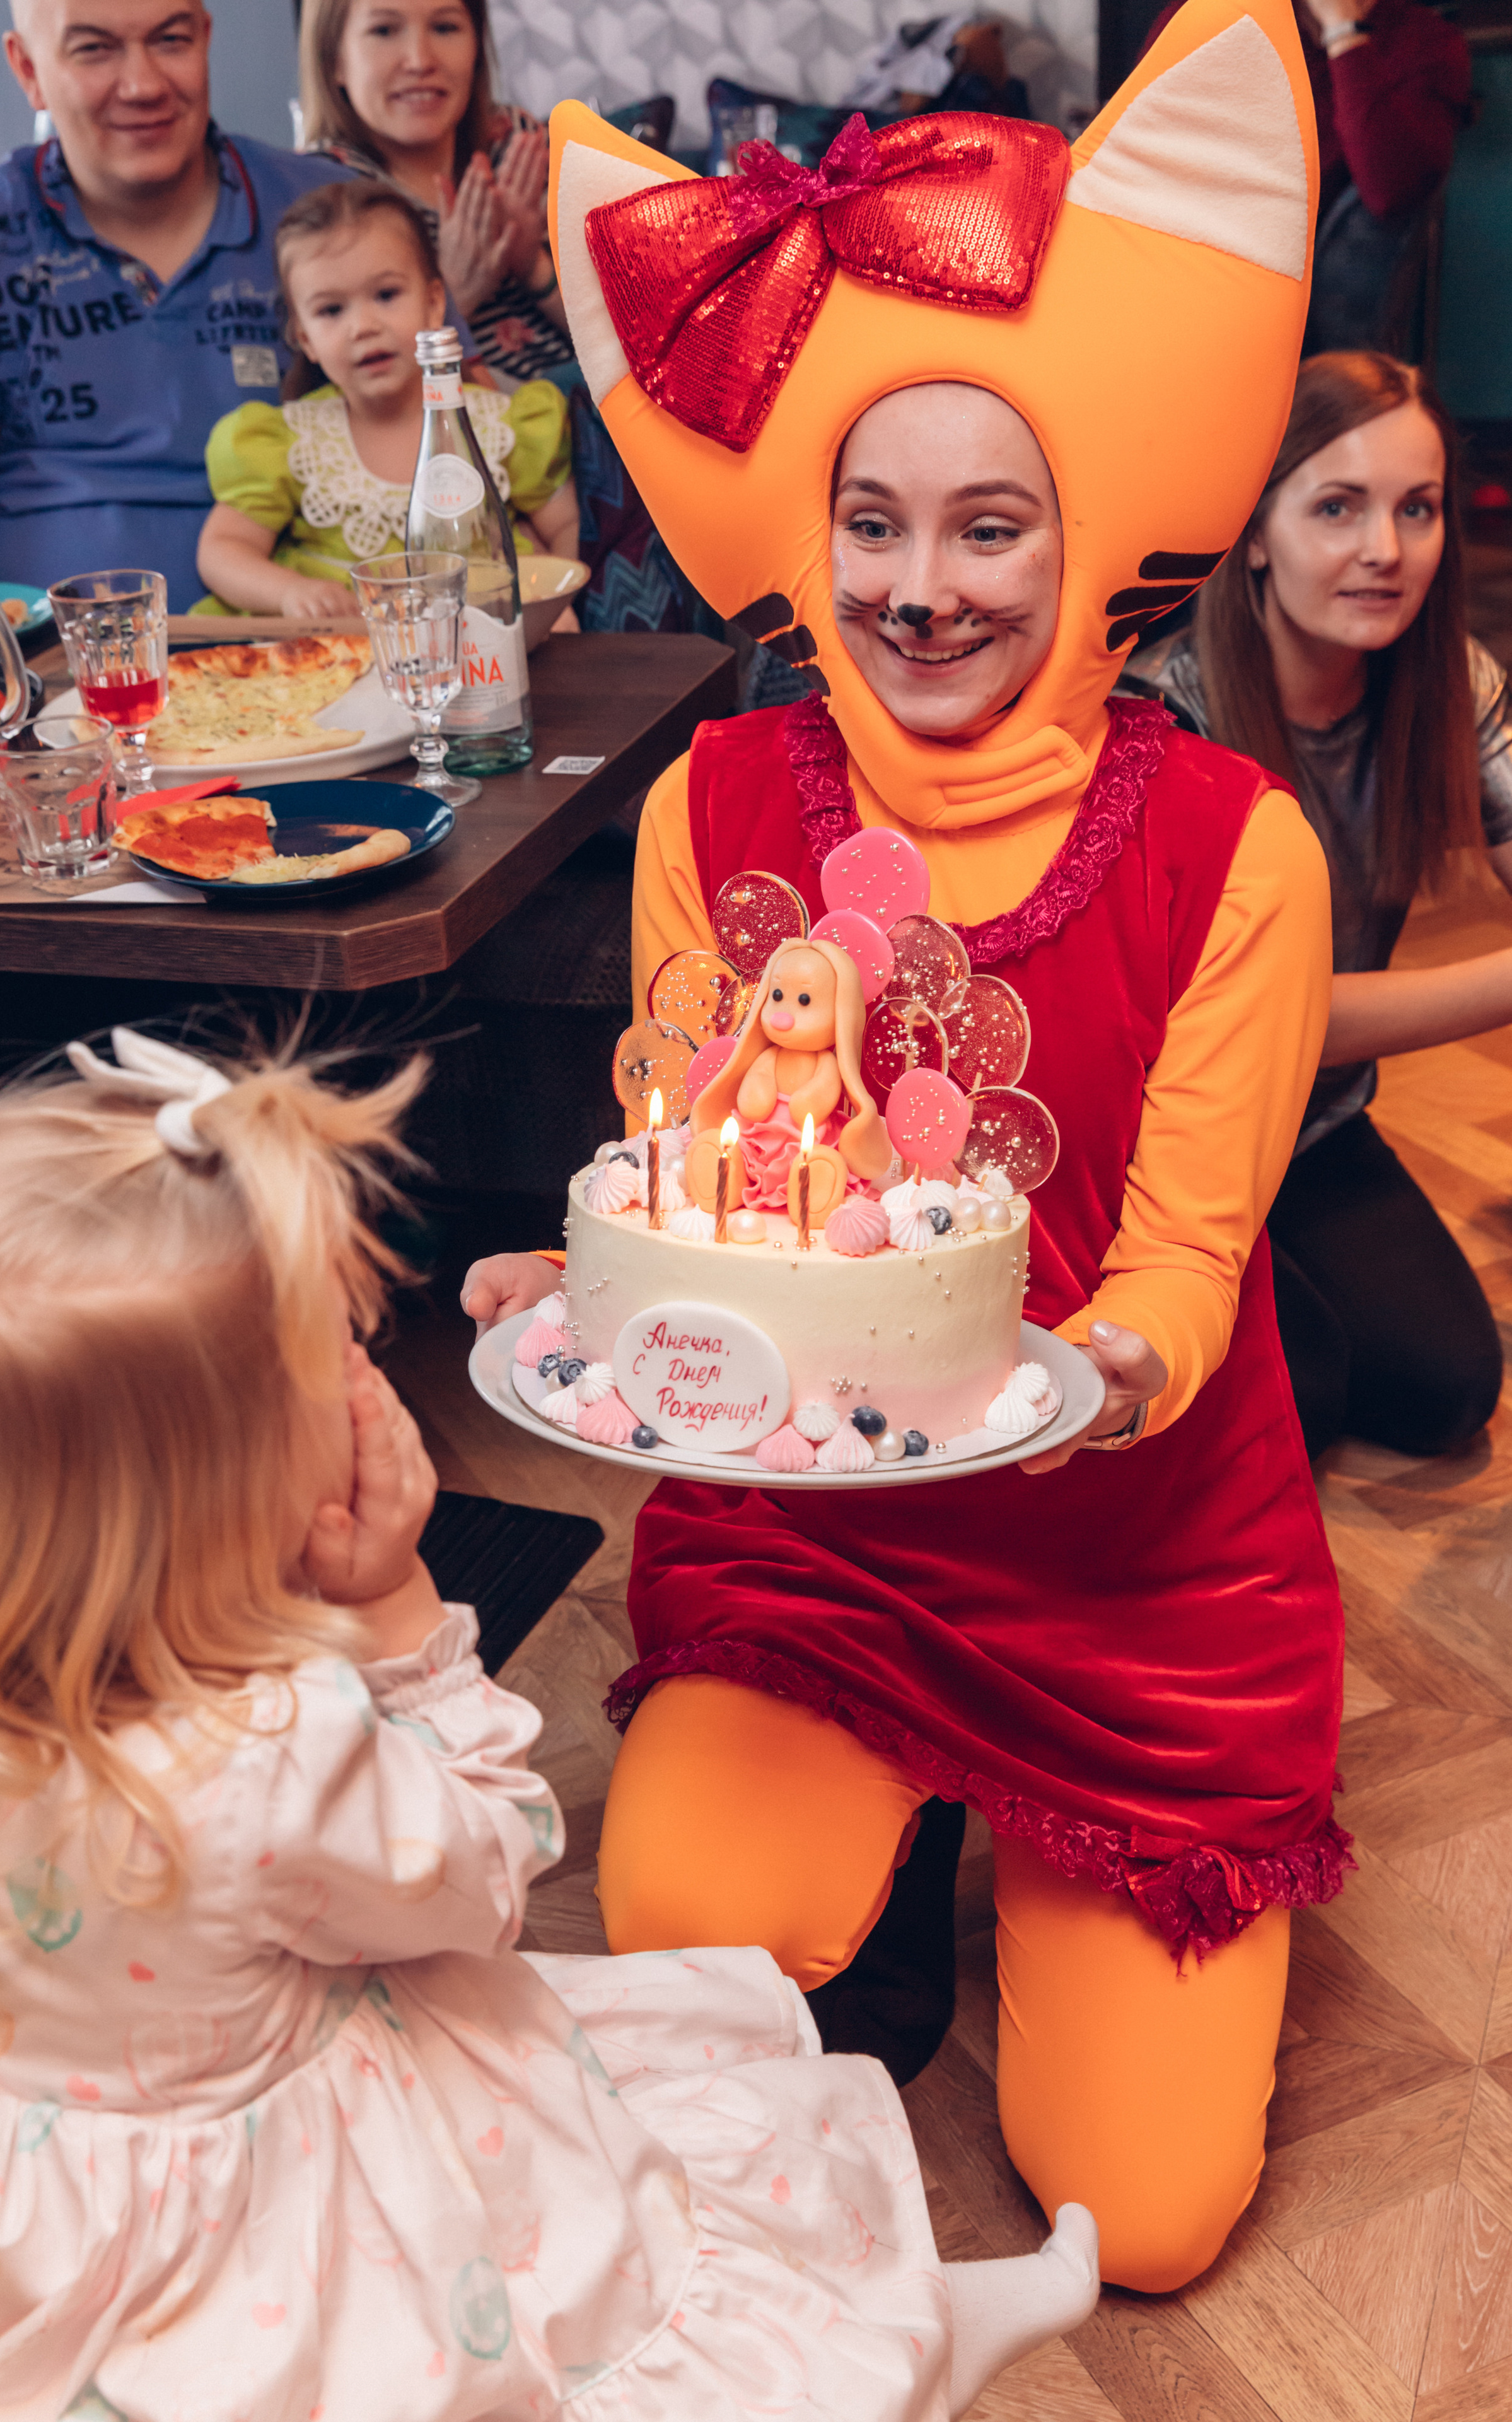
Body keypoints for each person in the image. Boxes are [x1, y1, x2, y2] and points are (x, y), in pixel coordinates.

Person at [463, 0, 1352, 2298]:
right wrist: (592, 1287)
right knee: (674, 1922)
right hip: (807, 1540)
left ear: (1085, 543)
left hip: (1131, 1579)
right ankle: (876, 1816)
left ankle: (1005, 1838)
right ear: (806, 535)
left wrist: (1111, 1374)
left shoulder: (1236, 848)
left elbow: (1173, 1268)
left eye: (988, 526)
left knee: (1136, 2223)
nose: (920, 588)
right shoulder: (713, 807)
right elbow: (692, 1152)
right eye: (868, 521)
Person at [0, 1028, 1100, 2418]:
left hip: (45, 2219)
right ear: (216, 1498)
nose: (365, 1374)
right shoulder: (266, 1753)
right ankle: (912, 2346)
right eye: (327, 1359)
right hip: (317, 2214)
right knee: (619, 2295)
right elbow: (478, 1878)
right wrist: (405, 1621)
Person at [1131, 352, 1511, 1463]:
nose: (1385, 551)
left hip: (1315, 1133)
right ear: (1255, 528)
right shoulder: (1165, 723)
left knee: (1447, 1394)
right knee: (1306, 1395)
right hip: (1165, 1157)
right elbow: (1274, 1017)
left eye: (1418, 509)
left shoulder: (1454, 685)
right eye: (1337, 507)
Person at [0, 0, 354, 611]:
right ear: (28, 68)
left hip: (319, 651)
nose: (143, 86)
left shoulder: (337, 214)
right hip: (52, 681)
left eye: (170, 40)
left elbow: (462, 452)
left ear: (205, 39)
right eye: (93, 49)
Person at [195, 180, 574, 619]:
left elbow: (565, 524)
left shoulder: (499, 427)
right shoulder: (292, 442)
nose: (363, 326)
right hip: (341, 657)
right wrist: (289, 593)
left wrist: (553, 597)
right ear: (306, 339)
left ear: (434, 304)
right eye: (331, 311)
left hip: (484, 646)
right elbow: (223, 550)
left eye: (386, 295)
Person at [1143, 0, 1472, 354]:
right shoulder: (1210, 13)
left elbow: (1390, 190)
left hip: (1303, 297)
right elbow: (1144, 147)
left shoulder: (1426, 43)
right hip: (1197, 267)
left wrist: (1342, 30)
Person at [299, 0, 573, 389]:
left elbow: (622, 340)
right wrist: (455, 293)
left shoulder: (512, 140)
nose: (419, 60)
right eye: (384, 31)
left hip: (591, 406)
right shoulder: (324, 186)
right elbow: (356, 383)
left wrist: (534, 266)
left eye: (445, 28)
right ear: (334, 60)